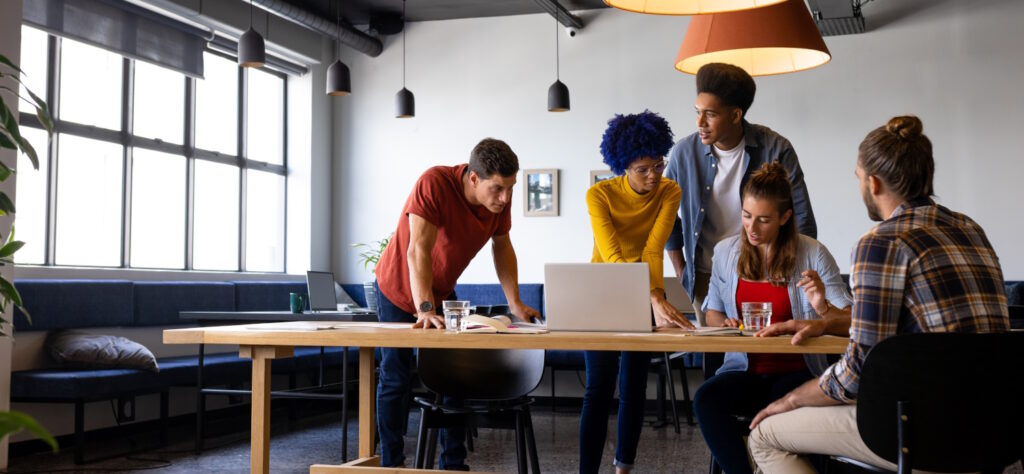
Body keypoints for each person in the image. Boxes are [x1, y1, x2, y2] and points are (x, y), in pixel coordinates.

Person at [746, 116, 1010, 472]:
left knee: (764, 434)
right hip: (996, 425)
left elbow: (855, 376)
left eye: (858, 178)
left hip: (920, 430)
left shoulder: (881, 243)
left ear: (873, 182)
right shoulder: (970, 229)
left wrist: (791, 399)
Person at [373, 138, 541, 470]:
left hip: (441, 292)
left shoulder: (498, 202)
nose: (505, 198)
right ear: (474, 178)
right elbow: (417, 249)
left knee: (455, 374)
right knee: (395, 375)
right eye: (497, 188)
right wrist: (424, 309)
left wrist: (516, 302)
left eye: (510, 188)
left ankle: (453, 464)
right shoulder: (434, 183)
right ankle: (391, 464)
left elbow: (502, 248)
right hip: (397, 288)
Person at [693, 162, 852, 474]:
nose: (752, 228)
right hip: (743, 369)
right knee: (705, 400)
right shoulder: (725, 252)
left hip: (798, 370)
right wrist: (723, 323)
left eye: (764, 220)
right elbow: (712, 312)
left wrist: (821, 307)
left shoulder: (813, 253)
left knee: (786, 408)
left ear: (785, 217)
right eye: (747, 216)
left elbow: (851, 320)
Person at [581, 111, 694, 474]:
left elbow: (651, 250)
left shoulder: (669, 191)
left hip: (647, 291)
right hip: (601, 294)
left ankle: (623, 468)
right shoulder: (599, 195)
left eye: (657, 164)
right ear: (623, 166)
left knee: (633, 388)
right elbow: (613, 255)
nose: (653, 175)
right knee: (598, 391)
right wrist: (654, 297)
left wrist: (655, 297)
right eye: (642, 169)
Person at [664, 62, 816, 325]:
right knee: (718, 357)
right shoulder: (683, 153)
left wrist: (796, 273)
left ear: (736, 115)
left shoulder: (776, 148)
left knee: (768, 354)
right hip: (706, 275)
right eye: (697, 112)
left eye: (710, 114)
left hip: (769, 274)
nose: (700, 122)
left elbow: (801, 217)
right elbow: (664, 217)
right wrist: (682, 271)